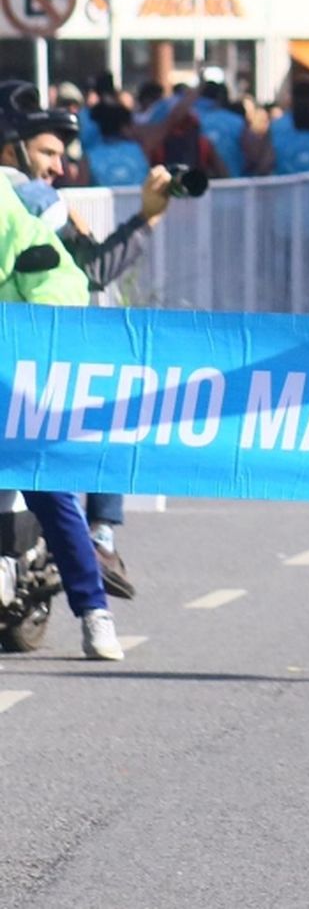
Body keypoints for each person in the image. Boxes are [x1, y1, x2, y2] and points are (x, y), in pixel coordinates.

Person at [0, 78, 177, 601]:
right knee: (106, 412)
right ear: (12, 150)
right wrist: (146, 218)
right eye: (47, 153)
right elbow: (95, 269)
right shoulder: (30, 196)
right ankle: (100, 539)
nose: (59, 167)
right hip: (31, 369)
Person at [0, 172, 125, 660]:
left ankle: (94, 612)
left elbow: (63, 293)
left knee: (50, 492)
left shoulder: (21, 232)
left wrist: (25, 339)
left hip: (18, 391)